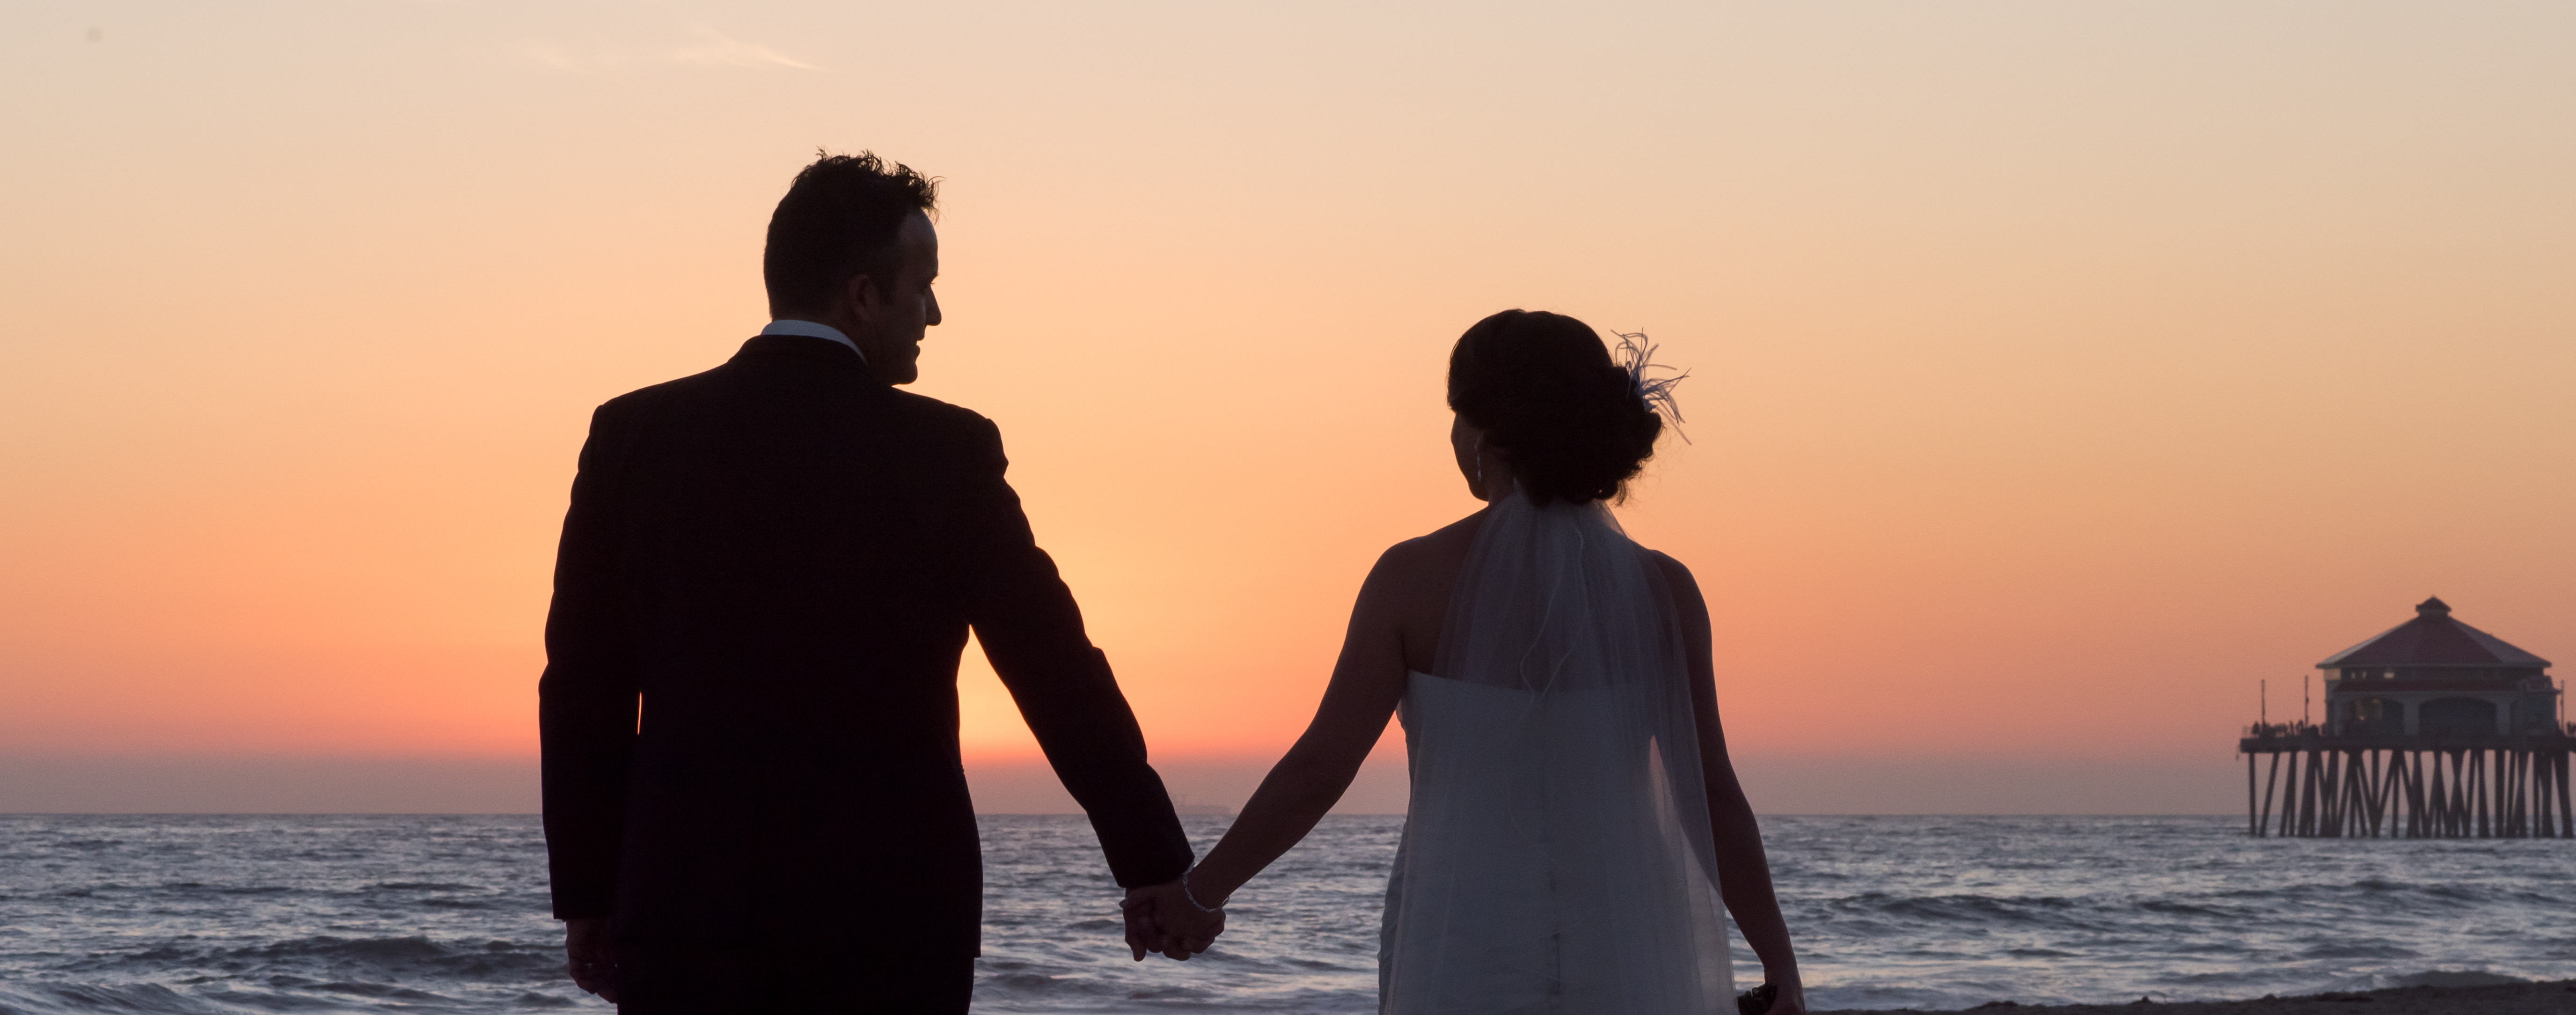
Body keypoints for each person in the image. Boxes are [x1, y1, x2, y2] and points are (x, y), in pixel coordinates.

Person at [540, 151, 1214, 1015]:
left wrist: (592, 894)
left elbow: (584, 688)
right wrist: (1155, 864)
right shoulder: (947, 454)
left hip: (685, 916)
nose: (935, 311)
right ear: (863, 295)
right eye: (922, 284)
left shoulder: (634, 437)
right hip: (893, 923)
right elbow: (1055, 671)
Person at [1129, 310, 1808, 1014]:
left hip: (1457, 942)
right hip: (1627, 946)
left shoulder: (1411, 579)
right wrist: (1780, 967)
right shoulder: (1664, 592)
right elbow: (1713, 798)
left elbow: (1319, 772)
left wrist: (1199, 893)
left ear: (1485, 433)